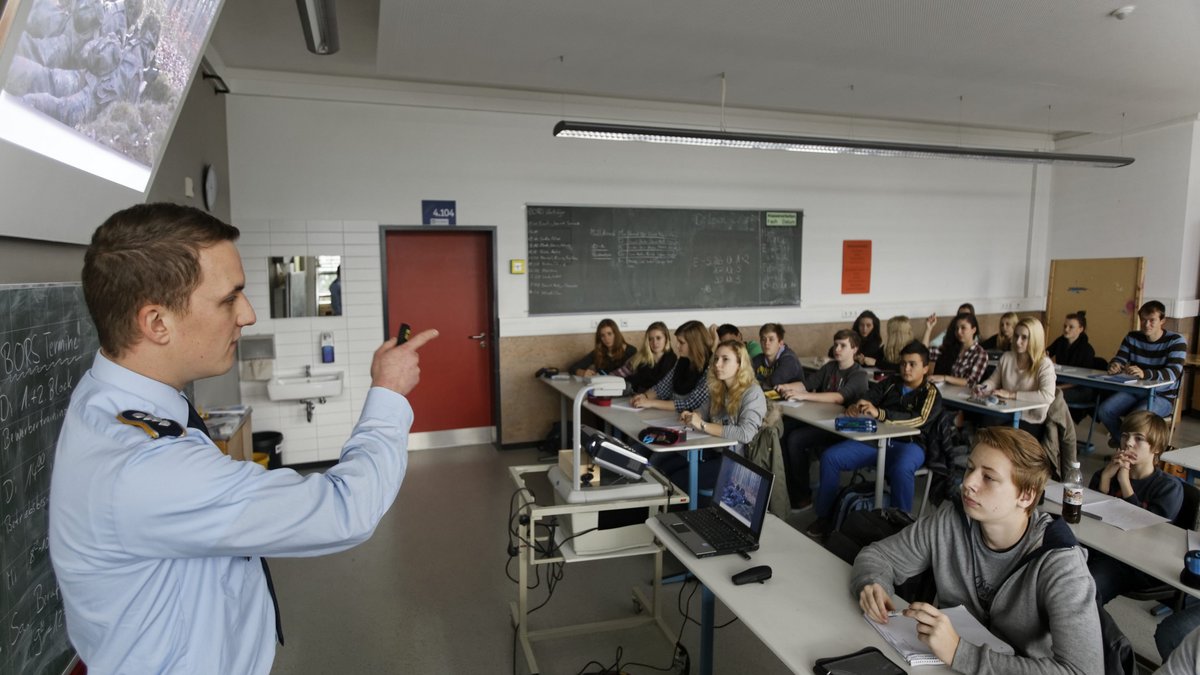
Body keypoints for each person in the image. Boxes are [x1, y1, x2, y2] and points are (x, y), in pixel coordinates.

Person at [48, 203, 439, 674]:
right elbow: (345, 509)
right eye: (229, 298)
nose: (248, 315)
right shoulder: (146, 468)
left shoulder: (107, 399)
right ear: (156, 323)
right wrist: (389, 394)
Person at [852, 427, 1103, 674]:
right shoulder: (950, 521)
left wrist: (959, 653)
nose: (967, 483)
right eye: (970, 468)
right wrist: (873, 583)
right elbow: (878, 556)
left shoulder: (1061, 562)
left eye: (989, 477)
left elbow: (1083, 670)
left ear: (1026, 496)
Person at [806, 341, 942, 537]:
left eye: (913, 364)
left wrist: (879, 413)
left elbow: (919, 419)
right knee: (830, 457)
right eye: (903, 363)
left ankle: (900, 529)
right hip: (876, 440)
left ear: (925, 368)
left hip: (911, 445)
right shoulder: (891, 383)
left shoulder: (930, 393)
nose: (906, 368)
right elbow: (870, 396)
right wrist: (859, 405)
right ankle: (825, 516)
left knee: (902, 468)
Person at [1087, 411, 1183, 605]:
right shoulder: (1105, 474)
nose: (1128, 443)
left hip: (1134, 563)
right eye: (1125, 436)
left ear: (1155, 448)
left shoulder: (1169, 488)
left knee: (1085, 592)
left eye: (1139, 438)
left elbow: (1148, 531)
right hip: (1100, 548)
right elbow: (1087, 519)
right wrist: (1105, 481)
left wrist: (1125, 483)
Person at [776, 329, 870, 508]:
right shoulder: (830, 367)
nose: (837, 349)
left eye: (843, 345)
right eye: (836, 344)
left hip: (842, 427)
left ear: (855, 349)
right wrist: (785, 386)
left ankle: (803, 496)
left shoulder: (859, 374)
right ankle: (791, 487)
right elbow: (807, 384)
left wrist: (803, 396)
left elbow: (838, 397)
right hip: (821, 420)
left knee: (796, 439)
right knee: (783, 429)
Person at [663, 339, 767, 489]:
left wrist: (703, 425)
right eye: (717, 359)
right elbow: (703, 412)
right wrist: (692, 416)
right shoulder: (720, 386)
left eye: (725, 359)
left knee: (677, 480)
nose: (717, 364)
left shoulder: (753, 393)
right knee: (663, 466)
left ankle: (692, 511)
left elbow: (745, 434)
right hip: (714, 451)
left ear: (739, 364)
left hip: (737, 461)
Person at [1097, 300, 1188, 446]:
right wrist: (1115, 365)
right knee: (1104, 410)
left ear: (1162, 321)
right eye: (1143, 320)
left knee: (1137, 419)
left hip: (1162, 396)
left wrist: (1145, 374)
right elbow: (1119, 358)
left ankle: (1127, 449)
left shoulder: (1176, 340)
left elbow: (1173, 373)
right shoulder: (1132, 337)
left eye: (1152, 320)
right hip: (1135, 390)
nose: (1146, 325)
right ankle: (1124, 444)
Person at [976, 318, 1056, 437]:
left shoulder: (1044, 364)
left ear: (1035, 339)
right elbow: (994, 381)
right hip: (1006, 412)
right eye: (1016, 336)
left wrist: (1011, 395)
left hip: (1030, 420)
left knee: (998, 434)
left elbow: (1047, 396)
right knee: (983, 422)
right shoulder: (1007, 357)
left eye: (1024, 337)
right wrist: (983, 387)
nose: (1018, 341)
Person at [631, 320, 713, 413]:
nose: (677, 346)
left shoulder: (710, 368)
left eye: (681, 342)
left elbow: (690, 403)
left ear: (694, 344)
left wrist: (650, 402)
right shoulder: (682, 361)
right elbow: (662, 387)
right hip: (674, 415)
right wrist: (644, 396)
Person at [1047, 311, 1097, 420]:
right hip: (1062, 383)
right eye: (1065, 326)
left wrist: (1057, 387)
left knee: (1051, 396)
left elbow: (1082, 380)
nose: (1066, 329)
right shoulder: (1061, 341)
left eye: (1071, 327)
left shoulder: (1087, 350)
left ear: (1080, 329)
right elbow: (1046, 352)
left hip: (1080, 388)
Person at [925, 313, 988, 388]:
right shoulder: (951, 348)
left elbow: (971, 382)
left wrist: (945, 378)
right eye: (957, 328)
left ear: (973, 330)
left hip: (961, 394)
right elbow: (924, 354)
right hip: (944, 390)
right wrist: (928, 329)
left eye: (963, 328)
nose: (959, 331)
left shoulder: (980, 354)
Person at [611, 321, 677, 393]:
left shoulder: (674, 361)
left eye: (658, 338)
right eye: (650, 339)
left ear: (666, 339)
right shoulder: (639, 357)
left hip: (664, 402)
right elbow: (617, 375)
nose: (654, 343)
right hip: (638, 399)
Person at [569, 318, 636, 376]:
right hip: (603, 388)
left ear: (616, 334)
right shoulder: (598, 352)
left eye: (609, 334)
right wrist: (581, 372)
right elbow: (572, 368)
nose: (606, 338)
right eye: (602, 335)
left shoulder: (631, 351)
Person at [752, 322, 802, 388]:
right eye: (763, 339)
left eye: (771, 339)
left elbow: (774, 381)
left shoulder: (789, 360)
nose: (767, 343)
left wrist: (754, 383)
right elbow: (743, 378)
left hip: (791, 398)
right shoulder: (757, 359)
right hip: (766, 396)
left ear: (780, 343)